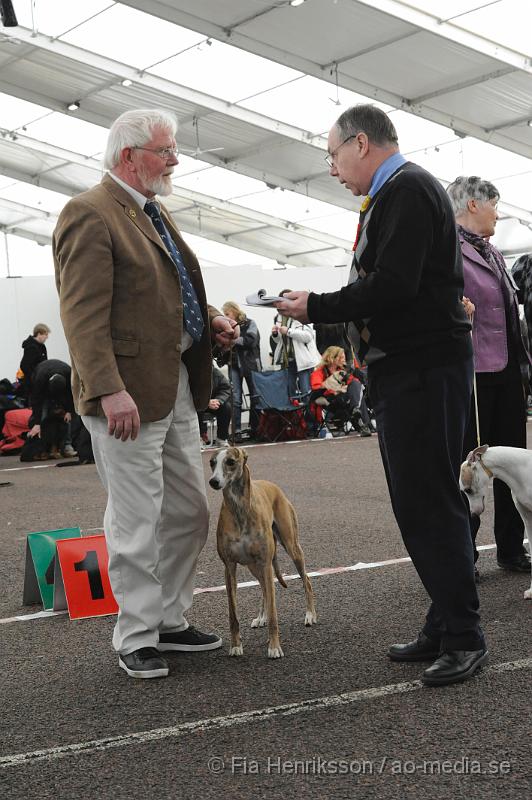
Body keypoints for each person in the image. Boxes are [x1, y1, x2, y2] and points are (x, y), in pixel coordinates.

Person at [274, 104, 486, 687]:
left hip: (421, 369)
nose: (334, 169)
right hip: (412, 368)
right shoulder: (400, 193)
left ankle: (465, 635)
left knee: (428, 502)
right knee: (421, 501)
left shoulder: (408, 190)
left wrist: (315, 305)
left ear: (360, 143)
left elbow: (392, 286)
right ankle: (446, 622)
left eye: (334, 155)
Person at [53, 108, 239, 680]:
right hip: (125, 396)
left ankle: (169, 619)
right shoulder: (89, 212)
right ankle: (135, 634)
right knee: (136, 520)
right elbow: (83, 316)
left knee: (188, 511)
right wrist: (109, 390)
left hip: (176, 385)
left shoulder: (151, 211)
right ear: (130, 156)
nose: (176, 159)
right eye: (166, 150)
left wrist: (208, 320)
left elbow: (166, 289)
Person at [447, 176, 532, 576]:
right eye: (494, 205)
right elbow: (439, 302)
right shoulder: (448, 250)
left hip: (508, 371)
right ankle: (465, 554)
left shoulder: (494, 252)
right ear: (474, 205)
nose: (499, 213)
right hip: (474, 374)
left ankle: (513, 549)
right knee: (472, 463)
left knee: (513, 465)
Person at [221, 301, 262, 439]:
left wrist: (233, 340)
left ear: (234, 311)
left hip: (251, 365)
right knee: (236, 399)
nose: (225, 317)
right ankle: (236, 430)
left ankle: (255, 428)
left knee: (256, 397)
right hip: (233, 365)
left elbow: (251, 340)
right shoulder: (226, 327)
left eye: (227, 314)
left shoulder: (250, 323)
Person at [310, 346, 372, 436]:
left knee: (355, 384)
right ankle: (364, 423)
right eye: (342, 357)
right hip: (331, 401)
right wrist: (336, 390)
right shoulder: (319, 371)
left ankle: (357, 413)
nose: (344, 360)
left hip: (345, 399)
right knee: (357, 395)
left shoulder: (343, 370)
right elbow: (316, 388)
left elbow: (353, 382)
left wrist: (346, 387)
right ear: (332, 358)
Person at [271, 290, 321, 396]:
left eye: (282, 302)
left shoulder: (301, 313)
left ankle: (308, 412)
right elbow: (279, 340)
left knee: (306, 392)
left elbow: (308, 337)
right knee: (290, 393)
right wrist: (275, 334)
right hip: (287, 361)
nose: (280, 305)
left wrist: (289, 331)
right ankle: (294, 412)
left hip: (304, 361)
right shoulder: (279, 318)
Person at [26, 358, 76, 459]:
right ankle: (42, 448)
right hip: (42, 388)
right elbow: (36, 400)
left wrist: (69, 411)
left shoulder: (70, 374)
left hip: (63, 390)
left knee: (67, 419)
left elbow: (72, 395)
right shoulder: (40, 379)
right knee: (43, 417)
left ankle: (66, 446)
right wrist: (37, 423)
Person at [198, 364, 232, 447]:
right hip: (197, 403)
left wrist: (218, 400)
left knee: (226, 408)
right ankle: (198, 438)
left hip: (213, 403)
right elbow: (190, 393)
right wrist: (205, 402)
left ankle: (222, 438)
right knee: (197, 409)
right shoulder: (191, 373)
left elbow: (226, 388)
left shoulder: (215, 373)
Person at [18, 323, 50, 400]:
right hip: (33, 385)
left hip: (41, 381)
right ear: (39, 334)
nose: (47, 337)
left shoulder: (41, 346)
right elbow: (24, 365)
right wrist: (34, 377)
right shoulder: (31, 347)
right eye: (45, 335)